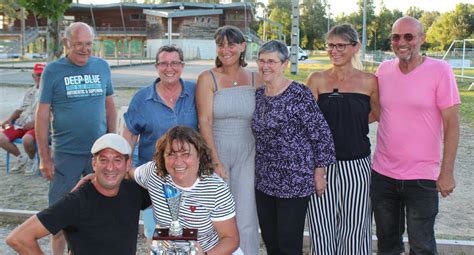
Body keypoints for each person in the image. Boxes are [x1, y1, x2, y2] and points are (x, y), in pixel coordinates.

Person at [371, 16, 460, 254]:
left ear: (422, 39)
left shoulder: (440, 70)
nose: (402, 42)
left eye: (409, 36)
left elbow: (452, 124)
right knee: (387, 244)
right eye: (396, 37)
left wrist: (447, 173)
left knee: (422, 246)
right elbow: (374, 112)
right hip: (383, 175)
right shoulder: (383, 70)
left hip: (422, 177)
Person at [36, 22, 117, 254]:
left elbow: (109, 106)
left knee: (98, 212)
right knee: (59, 217)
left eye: (88, 44)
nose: (84, 49)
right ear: (66, 44)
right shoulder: (53, 70)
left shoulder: (102, 66)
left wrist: (112, 144)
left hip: (97, 156)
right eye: (78, 44)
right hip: (65, 155)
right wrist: (44, 157)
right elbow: (42, 115)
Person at [252, 40, 336, 254]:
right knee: (271, 241)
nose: (265, 66)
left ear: (284, 64)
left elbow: (321, 134)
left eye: (271, 61)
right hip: (264, 180)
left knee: (289, 243)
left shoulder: (299, 94)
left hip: (294, 180)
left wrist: (319, 173)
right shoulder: (259, 96)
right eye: (261, 61)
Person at [6, 133, 151, 254]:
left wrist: (132, 174)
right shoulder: (77, 200)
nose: (110, 167)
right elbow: (19, 238)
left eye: (117, 160)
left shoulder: (133, 190)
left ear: (128, 164)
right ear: (94, 163)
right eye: (103, 160)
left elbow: (167, 186)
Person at [306, 23, 379, 255]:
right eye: (330, 45)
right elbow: (308, 121)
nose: (334, 50)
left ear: (355, 47)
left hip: (357, 164)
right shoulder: (316, 79)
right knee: (322, 226)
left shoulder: (370, 81)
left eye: (340, 45)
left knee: (356, 227)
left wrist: (350, 124)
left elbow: (377, 113)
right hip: (321, 166)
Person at [122, 45, 197, 247]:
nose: (169, 68)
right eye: (163, 63)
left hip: (190, 179)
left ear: (182, 66)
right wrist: (126, 166)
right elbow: (130, 133)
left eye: (174, 63)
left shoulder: (195, 92)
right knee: (157, 237)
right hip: (155, 179)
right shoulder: (142, 98)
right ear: (156, 66)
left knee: (191, 235)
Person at [196, 25, 261, 255]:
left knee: (246, 214)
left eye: (231, 44)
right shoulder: (207, 78)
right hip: (218, 149)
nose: (226, 49)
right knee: (218, 215)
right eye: (221, 44)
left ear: (243, 46)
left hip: (248, 151)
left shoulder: (256, 78)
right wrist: (214, 160)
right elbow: (204, 121)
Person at [130, 126, 240, 254]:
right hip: (166, 249)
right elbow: (129, 173)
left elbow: (231, 239)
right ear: (162, 157)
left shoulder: (216, 189)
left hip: (207, 250)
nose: (178, 162)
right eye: (171, 154)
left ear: (199, 155)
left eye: (185, 154)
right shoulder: (154, 173)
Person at [0, 63, 45, 175]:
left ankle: (31, 160)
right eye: (38, 75)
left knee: (27, 140)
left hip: (39, 125)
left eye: (42, 75)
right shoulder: (30, 91)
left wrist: (34, 123)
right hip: (21, 123)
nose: (40, 78)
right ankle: (21, 158)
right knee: (1, 136)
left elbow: (51, 115)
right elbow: (20, 109)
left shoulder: (50, 92)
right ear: (33, 76)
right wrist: (9, 120)